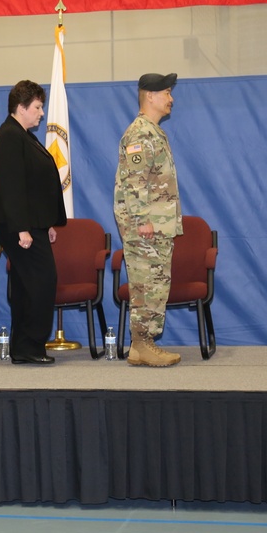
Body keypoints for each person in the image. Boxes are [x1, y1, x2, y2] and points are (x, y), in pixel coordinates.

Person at [0, 80, 67, 365]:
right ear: (21, 108)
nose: (41, 113)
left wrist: (46, 224)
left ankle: (24, 346)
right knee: (42, 280)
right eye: (37, 107)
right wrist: (22, 228)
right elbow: (12, 186)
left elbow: (33, 186)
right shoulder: (10, 136)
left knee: (25, 281)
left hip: (28, 222)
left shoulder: (22, 135)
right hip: (14, 223)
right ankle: (31, 345)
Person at [114, 72, 183, 368]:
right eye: (166, 92)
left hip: (156, 224)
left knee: (152, 284)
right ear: (150, 96)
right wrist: (142, 220)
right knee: (147, 285)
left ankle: (140, 346)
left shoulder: (153, 132)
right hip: (146, 226)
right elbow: (135, 182)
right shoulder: (140, 134)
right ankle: (143, 343)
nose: (171, 98)